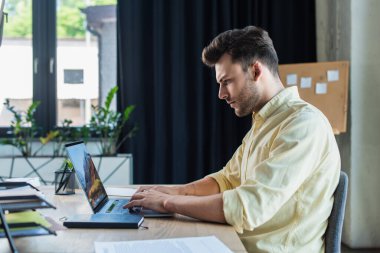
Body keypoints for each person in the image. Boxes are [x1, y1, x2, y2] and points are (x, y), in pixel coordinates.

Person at [124, 26, 340, 253]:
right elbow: (226, 180)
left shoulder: (303, 125)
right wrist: (172, 192)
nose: (221, 94)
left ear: (256, 70)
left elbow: (249, 207)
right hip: (236, 243)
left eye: (227, 81)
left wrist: (167, 203)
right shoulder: (265, 121)